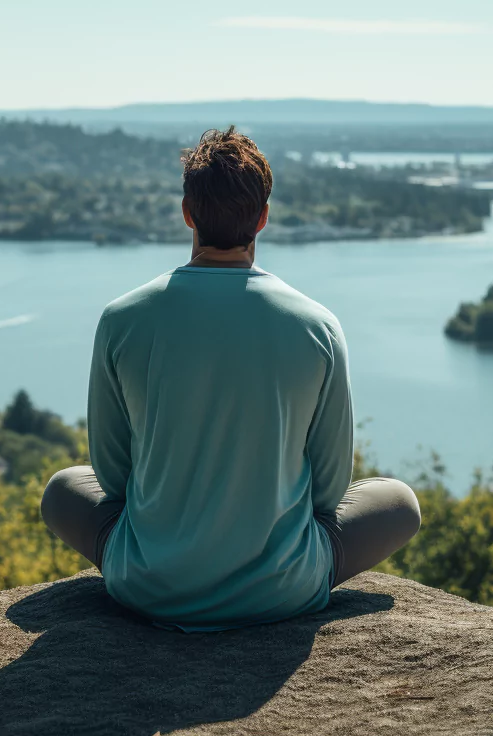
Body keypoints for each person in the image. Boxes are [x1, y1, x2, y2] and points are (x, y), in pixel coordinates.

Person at [40, 127, 420, 631]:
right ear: (263, 217)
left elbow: (113, 480)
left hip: (147, 584)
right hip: (284, 590)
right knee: (398, 503)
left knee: (64, 489)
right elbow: (330, 493)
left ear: (187, 213)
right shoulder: (317, 326)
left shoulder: (122, 319)